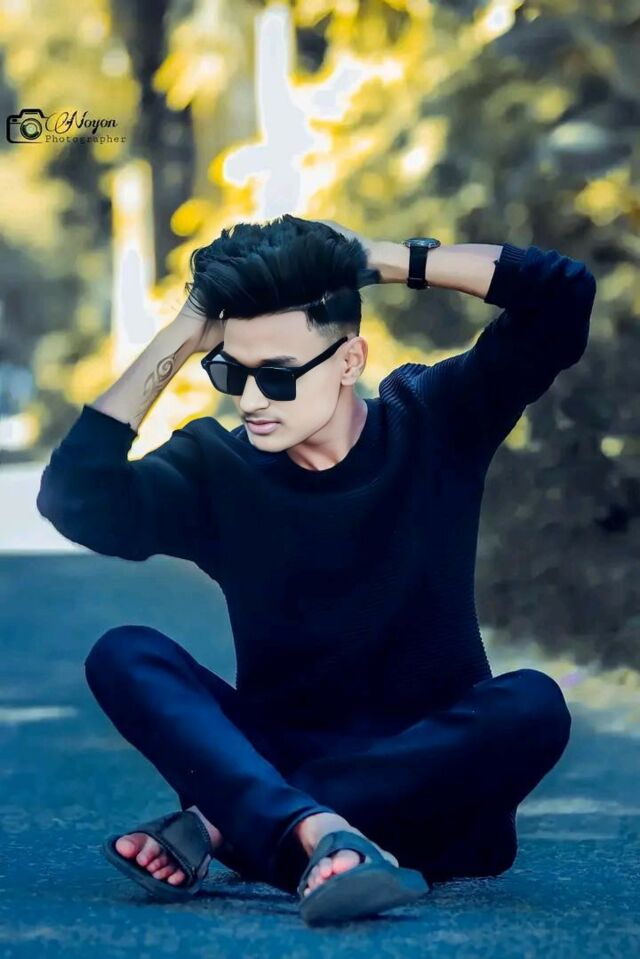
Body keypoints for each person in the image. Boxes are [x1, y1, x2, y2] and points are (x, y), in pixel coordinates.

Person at [36, 214, 596, 925]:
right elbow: (76, 499)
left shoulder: (435, 419)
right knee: (124, 653)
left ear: (349, 361)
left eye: (276, 376)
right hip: (272, 765)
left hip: (428, 781)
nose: (250, 400)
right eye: (230, 372)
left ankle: (232, 828)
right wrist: (184, 331)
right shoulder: (218, 467)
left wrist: (380, 258)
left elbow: (560, 296)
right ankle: (315, 833)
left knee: (534, 704)